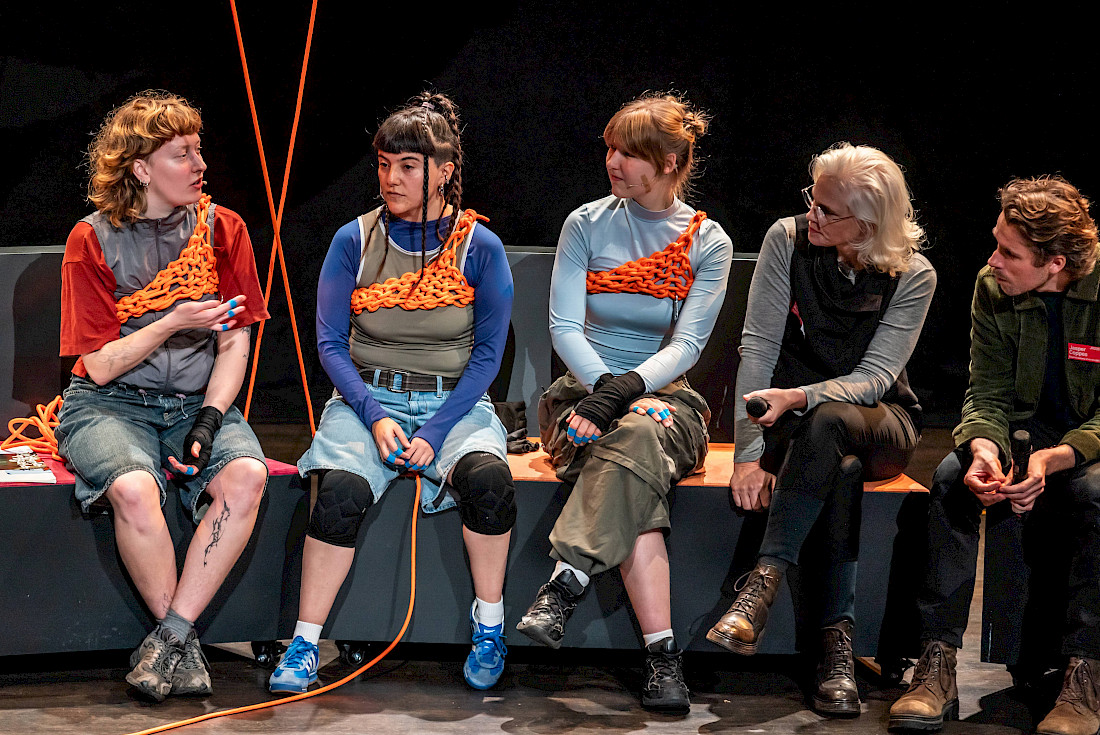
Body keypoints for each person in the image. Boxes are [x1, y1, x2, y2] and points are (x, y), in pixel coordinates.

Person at [268, 92, 516, 694]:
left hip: (452, 403)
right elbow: (330, 344)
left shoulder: (480, 247)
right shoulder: (353, 240)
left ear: (444, 171)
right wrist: (376, 417)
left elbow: (488, 355)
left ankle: (489, 626)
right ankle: (305, 643)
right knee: (340, 494)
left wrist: (435, 432)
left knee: (489, 482)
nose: (391, 179)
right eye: (384, 165)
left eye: (408, 166)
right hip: (367, 400)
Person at [515, 93, 733, 714]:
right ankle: (663, 659)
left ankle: (566, 581)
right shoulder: (585, 223)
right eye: (610, 148)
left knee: (636, 436)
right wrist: (608, 395)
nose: (612, 162)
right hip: (580, 400)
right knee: (636, 451)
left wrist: (625, 395)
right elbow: (564, 328)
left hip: (667, 403)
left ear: (669, 162)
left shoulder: (707, 241)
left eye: (629, 153)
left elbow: (688, 345)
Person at [707, 143, 936, 717]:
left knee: (833, 421)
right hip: (796, 426)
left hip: (881, 421)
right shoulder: (786, 241)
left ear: (867, 224)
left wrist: (801, 395)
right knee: (841, 466)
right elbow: (758, 347)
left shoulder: (913, 274)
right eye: (813, 198)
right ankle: (836, 650)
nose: (812, 213)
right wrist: (748, 454)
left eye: (827, 210)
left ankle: (763, 579)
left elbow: (876, 379)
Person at [56, 91, 270, 701]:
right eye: (182, 154)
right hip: (109, 403)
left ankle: (172, 637)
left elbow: (235, 341)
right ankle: (185, 645)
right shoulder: (91, 238)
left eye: (199, 151)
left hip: (194, 403)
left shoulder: (224, 229)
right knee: (133, 487)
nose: (200, 165)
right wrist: (172, 322)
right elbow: (98, 364)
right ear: (141, 168)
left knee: (247, 476)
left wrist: (210, 420)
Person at [889, 177, 1100, 735]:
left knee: (1095, 494)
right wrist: (985, 445)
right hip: (1019, 432)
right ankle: (936, 666)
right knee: (950, 479)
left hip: (1087, 440)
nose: (992, 261)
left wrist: (1056, 459)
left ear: (1055, 263)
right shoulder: (992, 287)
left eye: (1009, 252)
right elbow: (986, 390)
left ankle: (1084, 675)